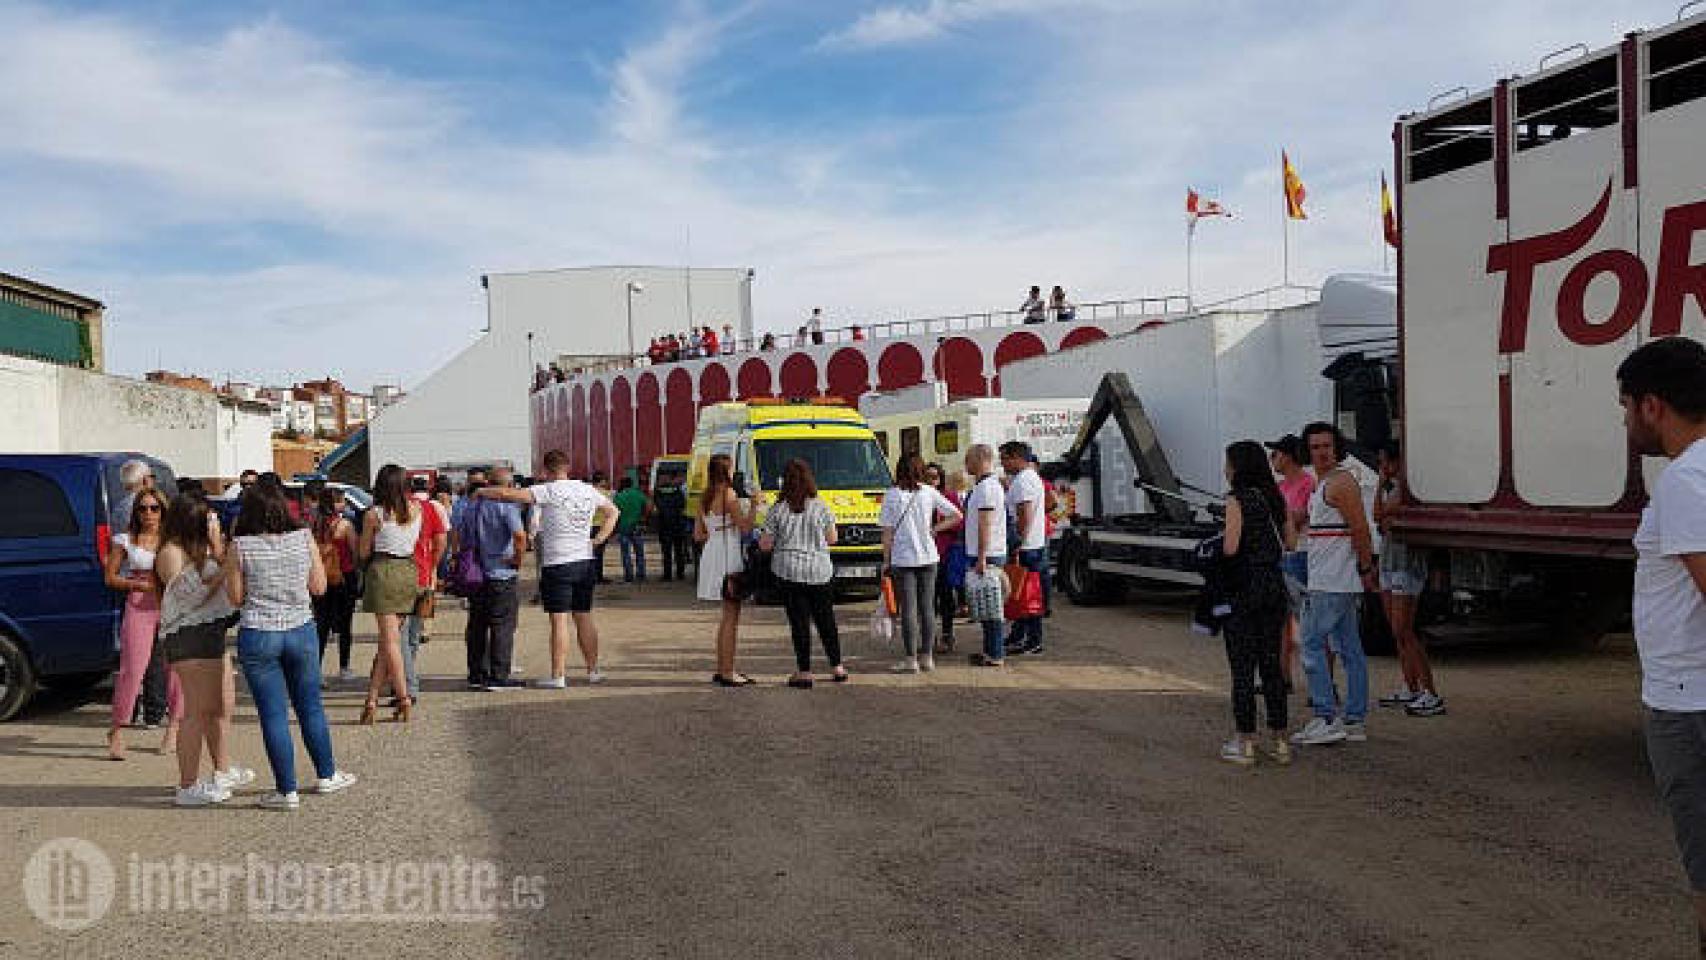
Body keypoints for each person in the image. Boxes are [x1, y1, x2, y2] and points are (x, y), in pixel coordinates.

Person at [1615, 339, 1706, 943]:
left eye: (1624, 407)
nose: (1624, 421)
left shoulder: (1684, 480)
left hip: (1689, 702)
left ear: (1652, 406)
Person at [224, 482, 357, 809]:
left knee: (273, 714)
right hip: (300, 629)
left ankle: (287, 791)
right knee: (310, 706)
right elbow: (319, 586)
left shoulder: (239, 546)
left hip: (258, 631)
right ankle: (326, 775)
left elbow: (236, 598)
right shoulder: (303, 538)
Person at [480, 450, 617, 688]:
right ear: (568, 467)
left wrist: (481, 491)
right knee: (584, 616)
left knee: (559, 621)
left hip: (558, 563)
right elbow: (613, 512)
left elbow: (506, 493)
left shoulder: (548, 490)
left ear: (546, 471)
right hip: (584, 560)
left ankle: (558, 675)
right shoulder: (587, 489)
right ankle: (593, 670)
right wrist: (598, 539)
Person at [156, 495, 253, 805]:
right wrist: (223, 562)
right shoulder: (171, 552)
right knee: (195, 712)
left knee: (218, 707)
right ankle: (187, 785)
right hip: (188, 636)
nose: (214, 526)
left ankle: (221, 770)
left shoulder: (200, 551)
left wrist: (218, 553)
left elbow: (221, 585)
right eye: (208, 520)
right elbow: (192, 596)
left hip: (211, 632)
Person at [1291, 422, 1378, 747]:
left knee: (1312, 645)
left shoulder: (1339, 483)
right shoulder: (1329, 482)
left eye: (1326, 445)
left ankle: (1325, 717)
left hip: (1331, 581)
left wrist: (1367, 566)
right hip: (1337, 580)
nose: (1322, 452)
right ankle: (1353, 720)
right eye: (1315, 447)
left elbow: (1360, 529)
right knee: (1349, 649)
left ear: (1336, 447)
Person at [1218, 441, 1295, 765]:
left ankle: (1245, 741)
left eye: (1228, 463)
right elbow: (1290, 541)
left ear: (1237, 467)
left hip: (1244, 587)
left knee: (1242, 667)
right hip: (1273, 586)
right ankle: (1280, 741)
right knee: (1272, 665)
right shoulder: (1275, 497)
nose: (1225, 469)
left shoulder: (1236, 500)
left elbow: (1231, 548)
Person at [104, 486, 179, 761]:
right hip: (139, 604)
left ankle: (174, 726)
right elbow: (110, 577)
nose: (148, 513)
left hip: (171, 605)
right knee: (132, 669)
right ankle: (117, 729)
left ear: (163, 510)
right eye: (142, 508)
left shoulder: (173, 539)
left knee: (175, 668)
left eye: (154, 508)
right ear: (135, 511)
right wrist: (136, 584)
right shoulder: (125, 539)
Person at [761, 459, 847, 688]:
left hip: (789, 572)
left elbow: (765, 545)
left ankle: (805, 671)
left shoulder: (777, 510)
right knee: (826, 620)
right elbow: (833, 539)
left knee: (799, 623)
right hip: (819, 571)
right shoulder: (821, 507)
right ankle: (837, 667)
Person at [1374, 442, 1445, 716]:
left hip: (1407, 563)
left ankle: (1431, 691)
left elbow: (1379, 514)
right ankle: (1411, 685)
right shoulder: (1393, 489)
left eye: (1385, 462)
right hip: (1391, 560)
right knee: (1396, 630)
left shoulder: (1407, 490)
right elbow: (1379, 519)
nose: (1382, 468)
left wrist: (1380, 487)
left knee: (1405, 628)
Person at [880, 454, 964, 674]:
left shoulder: (892, 495)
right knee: (927, 607)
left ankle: (911, 660)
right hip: (929, 556)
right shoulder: (929, 492)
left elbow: (887, 532)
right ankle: (927, 657)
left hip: (903, 558)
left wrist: (885, 560)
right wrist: (934, 530)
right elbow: (956, 515)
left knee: (908, 609)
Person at [358, 464, 422, 724]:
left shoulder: (374, 514)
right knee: (388, 642)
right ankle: (371, 700)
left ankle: (404, 697)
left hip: (383, 571)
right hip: (408, 571)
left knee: (391, 642)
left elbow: (363, 553)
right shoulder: (416, 510)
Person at [455, 469, 528, 691]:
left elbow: (460, 537)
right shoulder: (506, 506)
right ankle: (499, 676)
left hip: (476, 574)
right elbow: (519, 535)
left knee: (477, 624)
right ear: (506, 487)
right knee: (502, 625)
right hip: (501, 572)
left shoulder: (470, 506)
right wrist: (518, 558)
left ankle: (476, 673)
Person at [695, 453, 758, 686]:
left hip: (712, 552)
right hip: (727, 553)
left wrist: (716, 529)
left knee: (725, 618)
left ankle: (723, 668)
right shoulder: (729, 495)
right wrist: (753, 505)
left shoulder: (704, 497)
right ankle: (728, 671)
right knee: (732, 616)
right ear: (728, 471)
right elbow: (745, 528)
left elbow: (698, 535)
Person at [1267, 434, 1315, 686]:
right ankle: (1282, 675)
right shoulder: (1281, 487)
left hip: (1301, 554)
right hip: (1284, 553)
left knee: (1305, 623)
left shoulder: (1309, 483)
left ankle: (1319, 682)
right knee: (1281, 620)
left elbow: (1296, 518)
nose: (1271, 459)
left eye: (1274, 454)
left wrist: (1281, 517)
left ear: (1287, 456)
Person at [397, 476, 449, 699]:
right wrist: (432, 565)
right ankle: (407, 680)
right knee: (413, 634)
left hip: (399, 576)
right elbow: (441, 542)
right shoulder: (430, 508)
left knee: (401, 635)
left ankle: (407, 683)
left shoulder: (395, 508)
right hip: (423, 575)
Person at [1000, 442, 1049, 656]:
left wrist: (1018, 541)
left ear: (1016, 457)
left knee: (1026, 595)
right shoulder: (1027, 478)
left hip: (1027, 547)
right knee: (1022, 594)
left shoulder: (1024, 481)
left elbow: (1024, 514)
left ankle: (1032, 640)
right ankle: (1019, 635)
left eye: (1004, 458)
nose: (1002, 463)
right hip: (1031, 544)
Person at [962, 445, 1008, 666]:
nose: (965, 464)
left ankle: (995, 653)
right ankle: (991, 650)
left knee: (991, 606)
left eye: (968, 459)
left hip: (987, 554)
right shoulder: (985, 486)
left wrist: (981, 557)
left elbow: (985, 524)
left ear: (980, 459)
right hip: (986, 553)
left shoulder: (987, 489)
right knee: (987, 605)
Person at [310, 487, 360, 682]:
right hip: (343, 577)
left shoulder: (314, 524)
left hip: (321, 577)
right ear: (335, 504)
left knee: (321, 624)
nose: (345, 504)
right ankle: (344, 667)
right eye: (341, 501)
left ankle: (316, 669)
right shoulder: (345, 525)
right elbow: (354, 552)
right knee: (345, 624)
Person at [924, 463, 965, 652]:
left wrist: (937, 529)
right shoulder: (919, 497)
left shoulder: (948, 497)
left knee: (946, 596)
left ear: (940, 479)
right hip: (924, 555)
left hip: (945, 553)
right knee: (928, 598)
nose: (931, 480)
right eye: (928, 476)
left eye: (935, 477)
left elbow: (959, 523)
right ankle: (930, 636)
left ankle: (947, 634)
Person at [652, 467, 691, 582]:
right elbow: (683, 506)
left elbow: (656, 509)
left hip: (664, 526)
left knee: (667, 552)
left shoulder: (658, 493)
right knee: (679, 551)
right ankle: (680, 574)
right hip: (678, 525)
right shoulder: (678, 492)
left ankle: (667, 575)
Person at [611, 477, 650, 583]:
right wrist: (644, 518)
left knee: (626, 553)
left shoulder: (618, 496)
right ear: (632, 484)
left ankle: (629, 576)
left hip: (623, 528)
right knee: (639, 552)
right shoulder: (638, 494)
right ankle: (641, 575)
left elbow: (614, 512)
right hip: (637, 526)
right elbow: (648, 506)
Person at [590, 472, 614, 583]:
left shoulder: (587, 492)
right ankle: (598, 576)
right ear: (602, 481)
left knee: (588, 553)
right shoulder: (606, 494)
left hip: (588, 526)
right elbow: (612, 511)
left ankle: (589, 576)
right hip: (601, 526)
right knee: (599, 553)